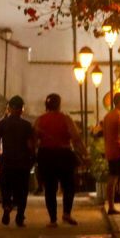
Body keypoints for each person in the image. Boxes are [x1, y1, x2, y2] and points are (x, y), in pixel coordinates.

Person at [34, 93, 83, 226]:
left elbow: (34, 139)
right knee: (68, 185)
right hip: (64, 154)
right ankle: (66, 213)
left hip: (46, 155)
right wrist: (84, 153)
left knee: (50, 187)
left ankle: (53, 219)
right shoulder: (66, 118)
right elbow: (76, 137)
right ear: (59, 104)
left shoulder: (40, 119)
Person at [0, 95, 36, 227]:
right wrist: (33, 157)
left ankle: (6, 206)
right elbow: (30, 145)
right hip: (22, 163)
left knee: (5, 186)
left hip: (6, 161)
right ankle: (20, 216)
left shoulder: (2, 124)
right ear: (22, 109)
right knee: (22, 190)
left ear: (9, 108)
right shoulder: (26, 125)